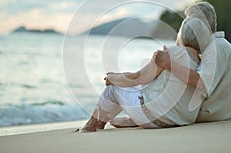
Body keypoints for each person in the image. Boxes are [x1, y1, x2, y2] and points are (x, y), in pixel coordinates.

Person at [76, 17, 212, 132]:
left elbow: (138, 78)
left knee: (113, 89)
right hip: (182, 119)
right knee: (134, 89)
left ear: (182, 34)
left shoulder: (172, 53)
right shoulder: (201, 63)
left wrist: (113, 78)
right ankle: (101, 123)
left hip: (157, 118)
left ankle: (91, 126)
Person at [154, 2, 231, 122]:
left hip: (210, 113)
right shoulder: (219, 45)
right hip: (218, 112)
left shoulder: (215, 47)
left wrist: (168, 63)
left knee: (170, 62)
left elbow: (202, 82)